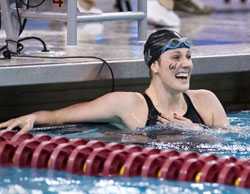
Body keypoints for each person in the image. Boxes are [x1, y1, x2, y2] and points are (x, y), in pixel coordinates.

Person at [0, 29, 229, 132]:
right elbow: (60, 116)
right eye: (176, 57)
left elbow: (228, 145)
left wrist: (197, 133)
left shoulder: (206, 101)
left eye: (188, 57)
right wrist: (32, 117)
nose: (186, 64)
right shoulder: (128, 105)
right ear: (155, 65)